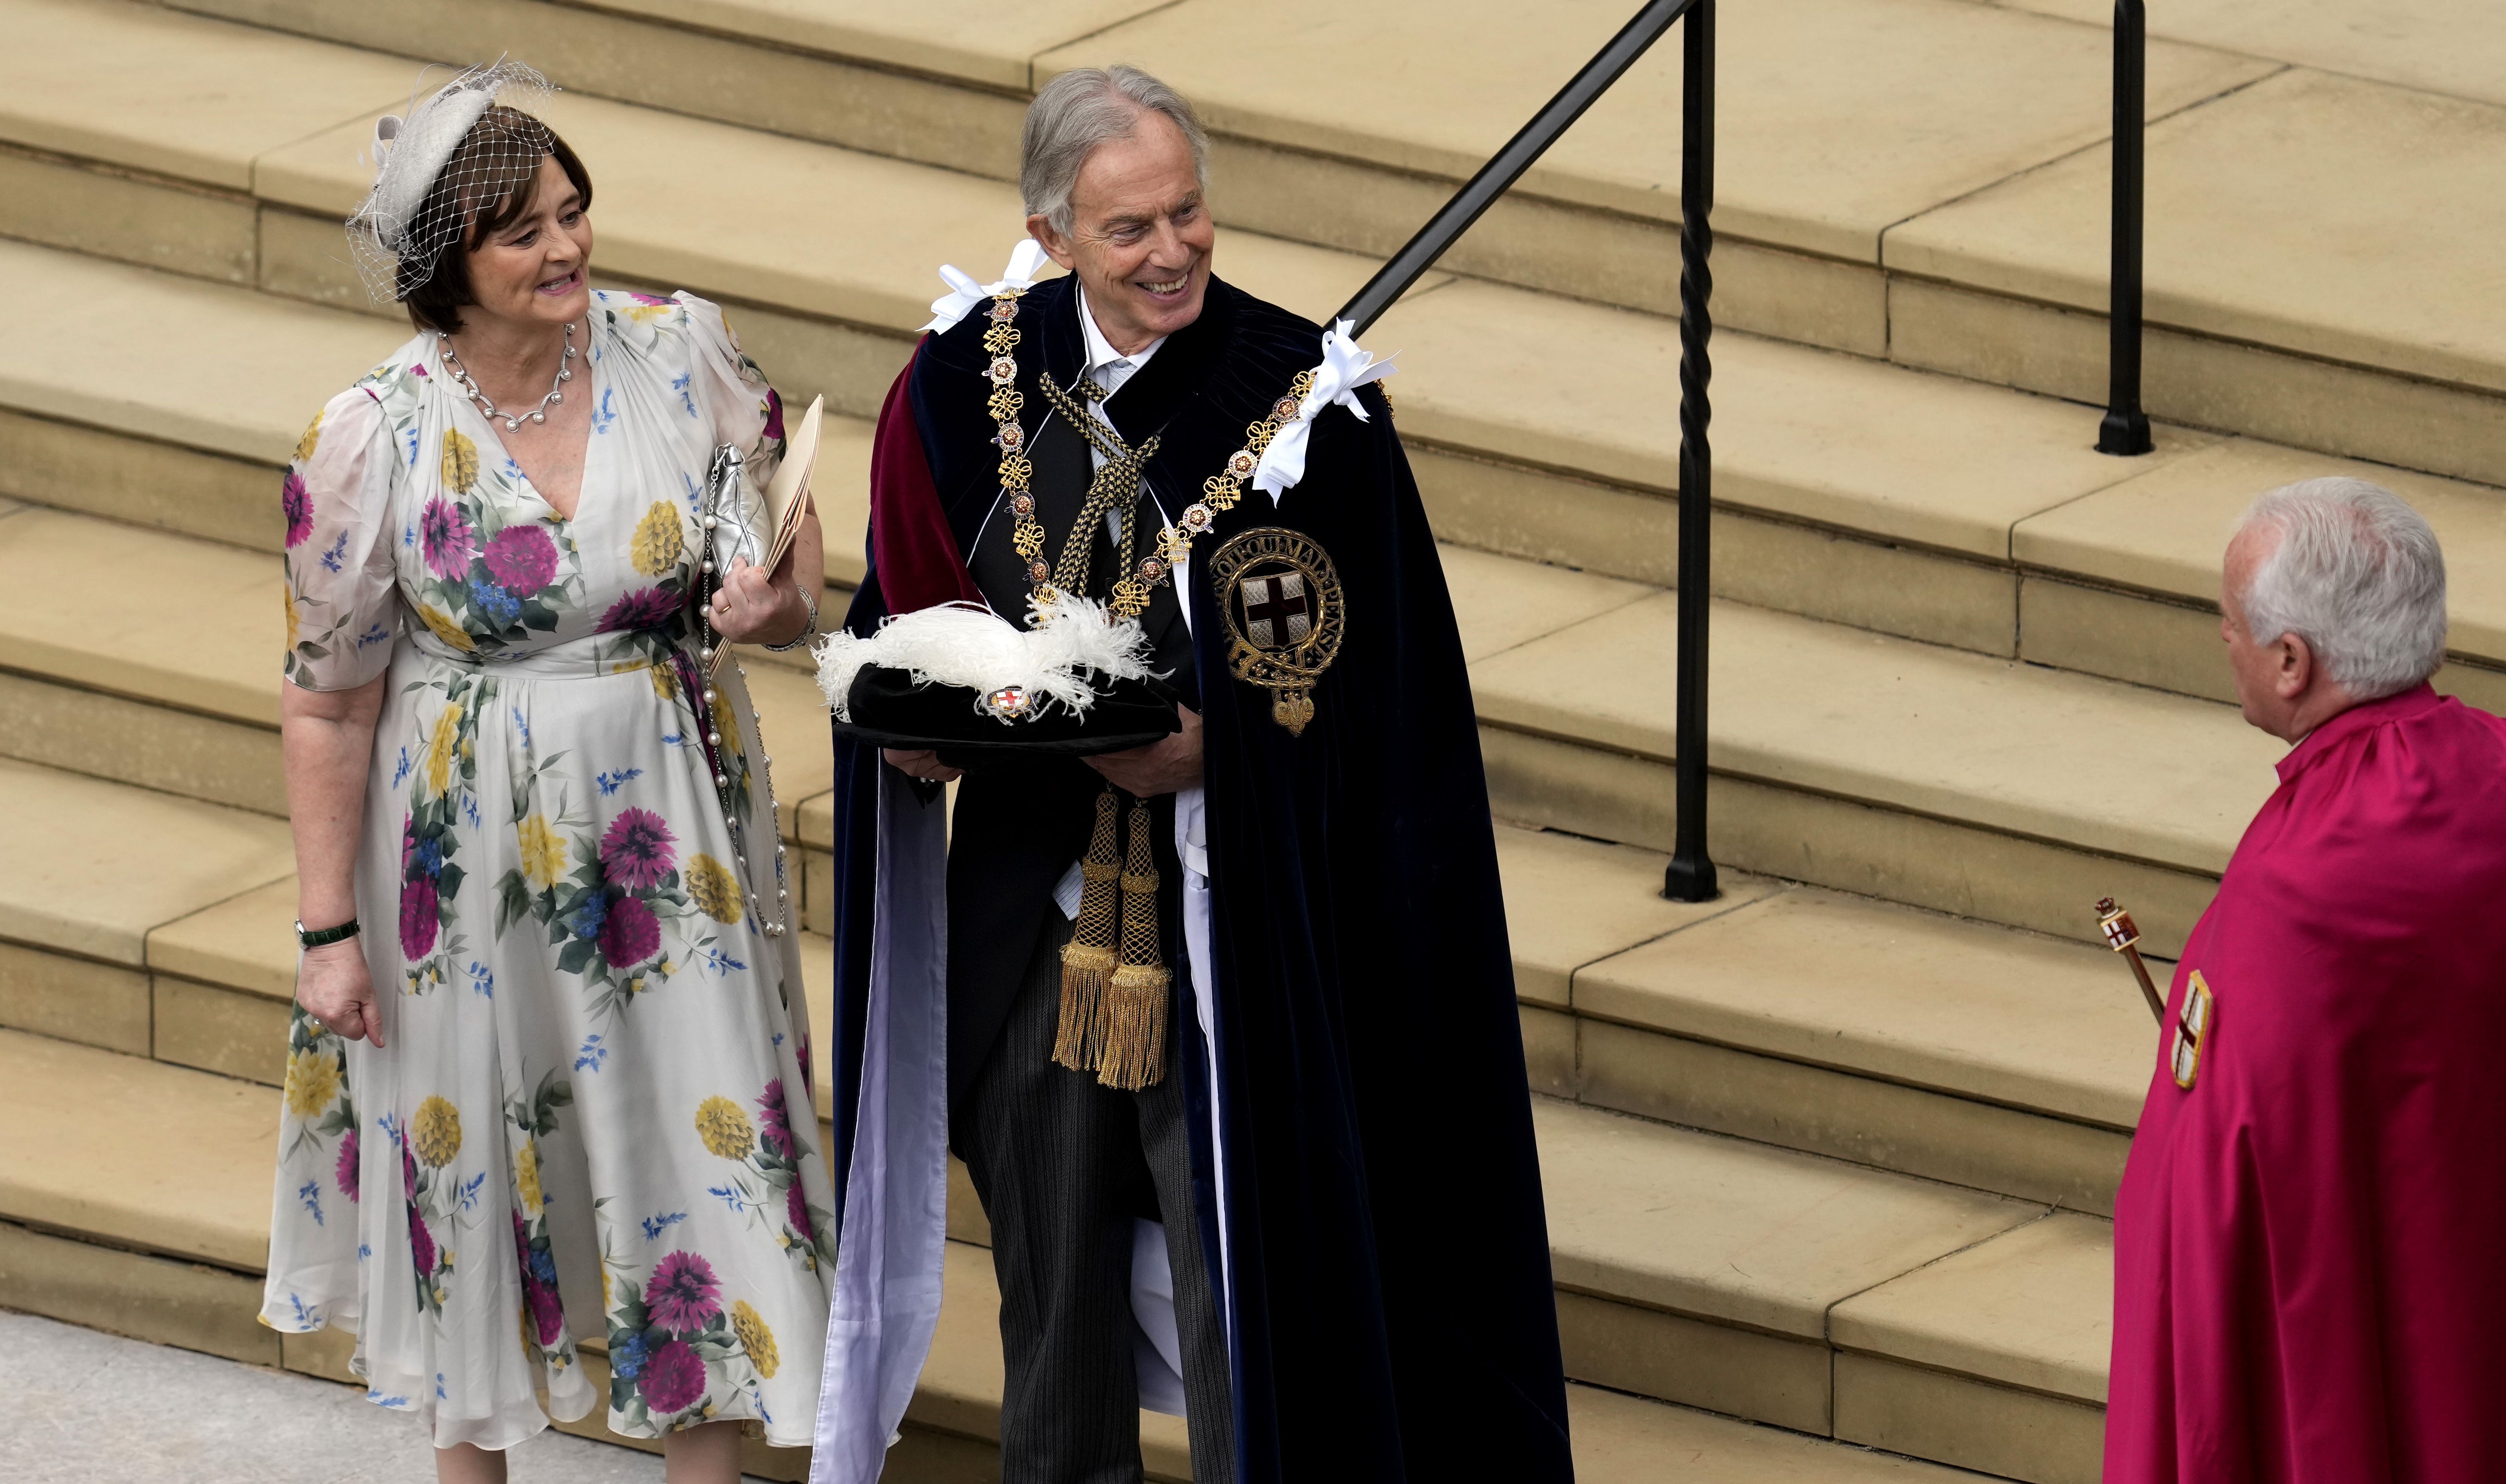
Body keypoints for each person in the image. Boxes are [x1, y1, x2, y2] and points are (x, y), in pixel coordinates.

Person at [809, 65, 1571, 1484]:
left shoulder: (1301, 407)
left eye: (1189, 214)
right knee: (1049, 1277)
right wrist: (899, 716)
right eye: (1128, 231)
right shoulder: (961, 377)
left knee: (1244, 1286)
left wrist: (1225, 750)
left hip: (1240, 928)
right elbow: (912, 613)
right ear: (1049, 231)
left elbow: (1385, 702)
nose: (1171, 254)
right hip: (1031, 907)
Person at [263, 62, 834, 1482]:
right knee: (474, 1166)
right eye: (521, 229)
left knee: (694, 1155)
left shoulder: (680, 345)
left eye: (571, 212)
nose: (566, 247)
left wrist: (781, 604)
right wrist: (327, 932)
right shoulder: (369, 434)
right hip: (463, 863)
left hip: (672, 822)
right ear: (443, 263)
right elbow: (327, 705)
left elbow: (793, 532)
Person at [2105, 477, 2506, 1481]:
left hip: (2368, 1358)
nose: (2223, 643)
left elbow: (2203, 1202)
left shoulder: (2292, 887)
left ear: (2293, 663)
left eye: (2232, 625)